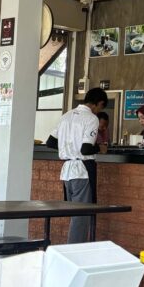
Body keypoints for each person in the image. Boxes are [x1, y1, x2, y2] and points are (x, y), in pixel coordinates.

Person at [47, 88, 107, 243]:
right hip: (82, 170)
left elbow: (50, 142)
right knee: (81, 216)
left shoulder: (65, 116)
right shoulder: (91, 118)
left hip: (67, 171)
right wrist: (100, 148)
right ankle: (73, 250)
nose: (99, 110)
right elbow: (86, 149)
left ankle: (74, 249)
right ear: (98, 103)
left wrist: (67, 148)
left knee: (76, 213)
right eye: (101, 107)